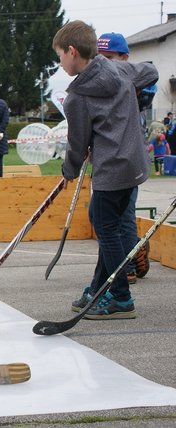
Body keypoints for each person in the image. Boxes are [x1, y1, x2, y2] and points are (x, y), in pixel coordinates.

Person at [53, 20, 158, 319]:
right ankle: (99, 287)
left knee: (106, 228)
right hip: (135, 164)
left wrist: (68, 170)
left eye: (60, 55)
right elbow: (150, 71)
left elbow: (77, 143)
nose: (60, 63)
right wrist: (133, 90)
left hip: (113, 169)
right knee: (106, 223)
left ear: (73, 52)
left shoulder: (77, 97)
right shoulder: (121, 70)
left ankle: (121, 298)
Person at [97, 32, 152, 283]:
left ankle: (127, 265)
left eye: (109, 58)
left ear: (124, 58)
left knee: (123, 215)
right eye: (99, 58)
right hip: (109, 162)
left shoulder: (131, 84)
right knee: (98, 216)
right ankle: (133, 250)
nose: (104, 63)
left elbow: (150, 72)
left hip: (128, 163)